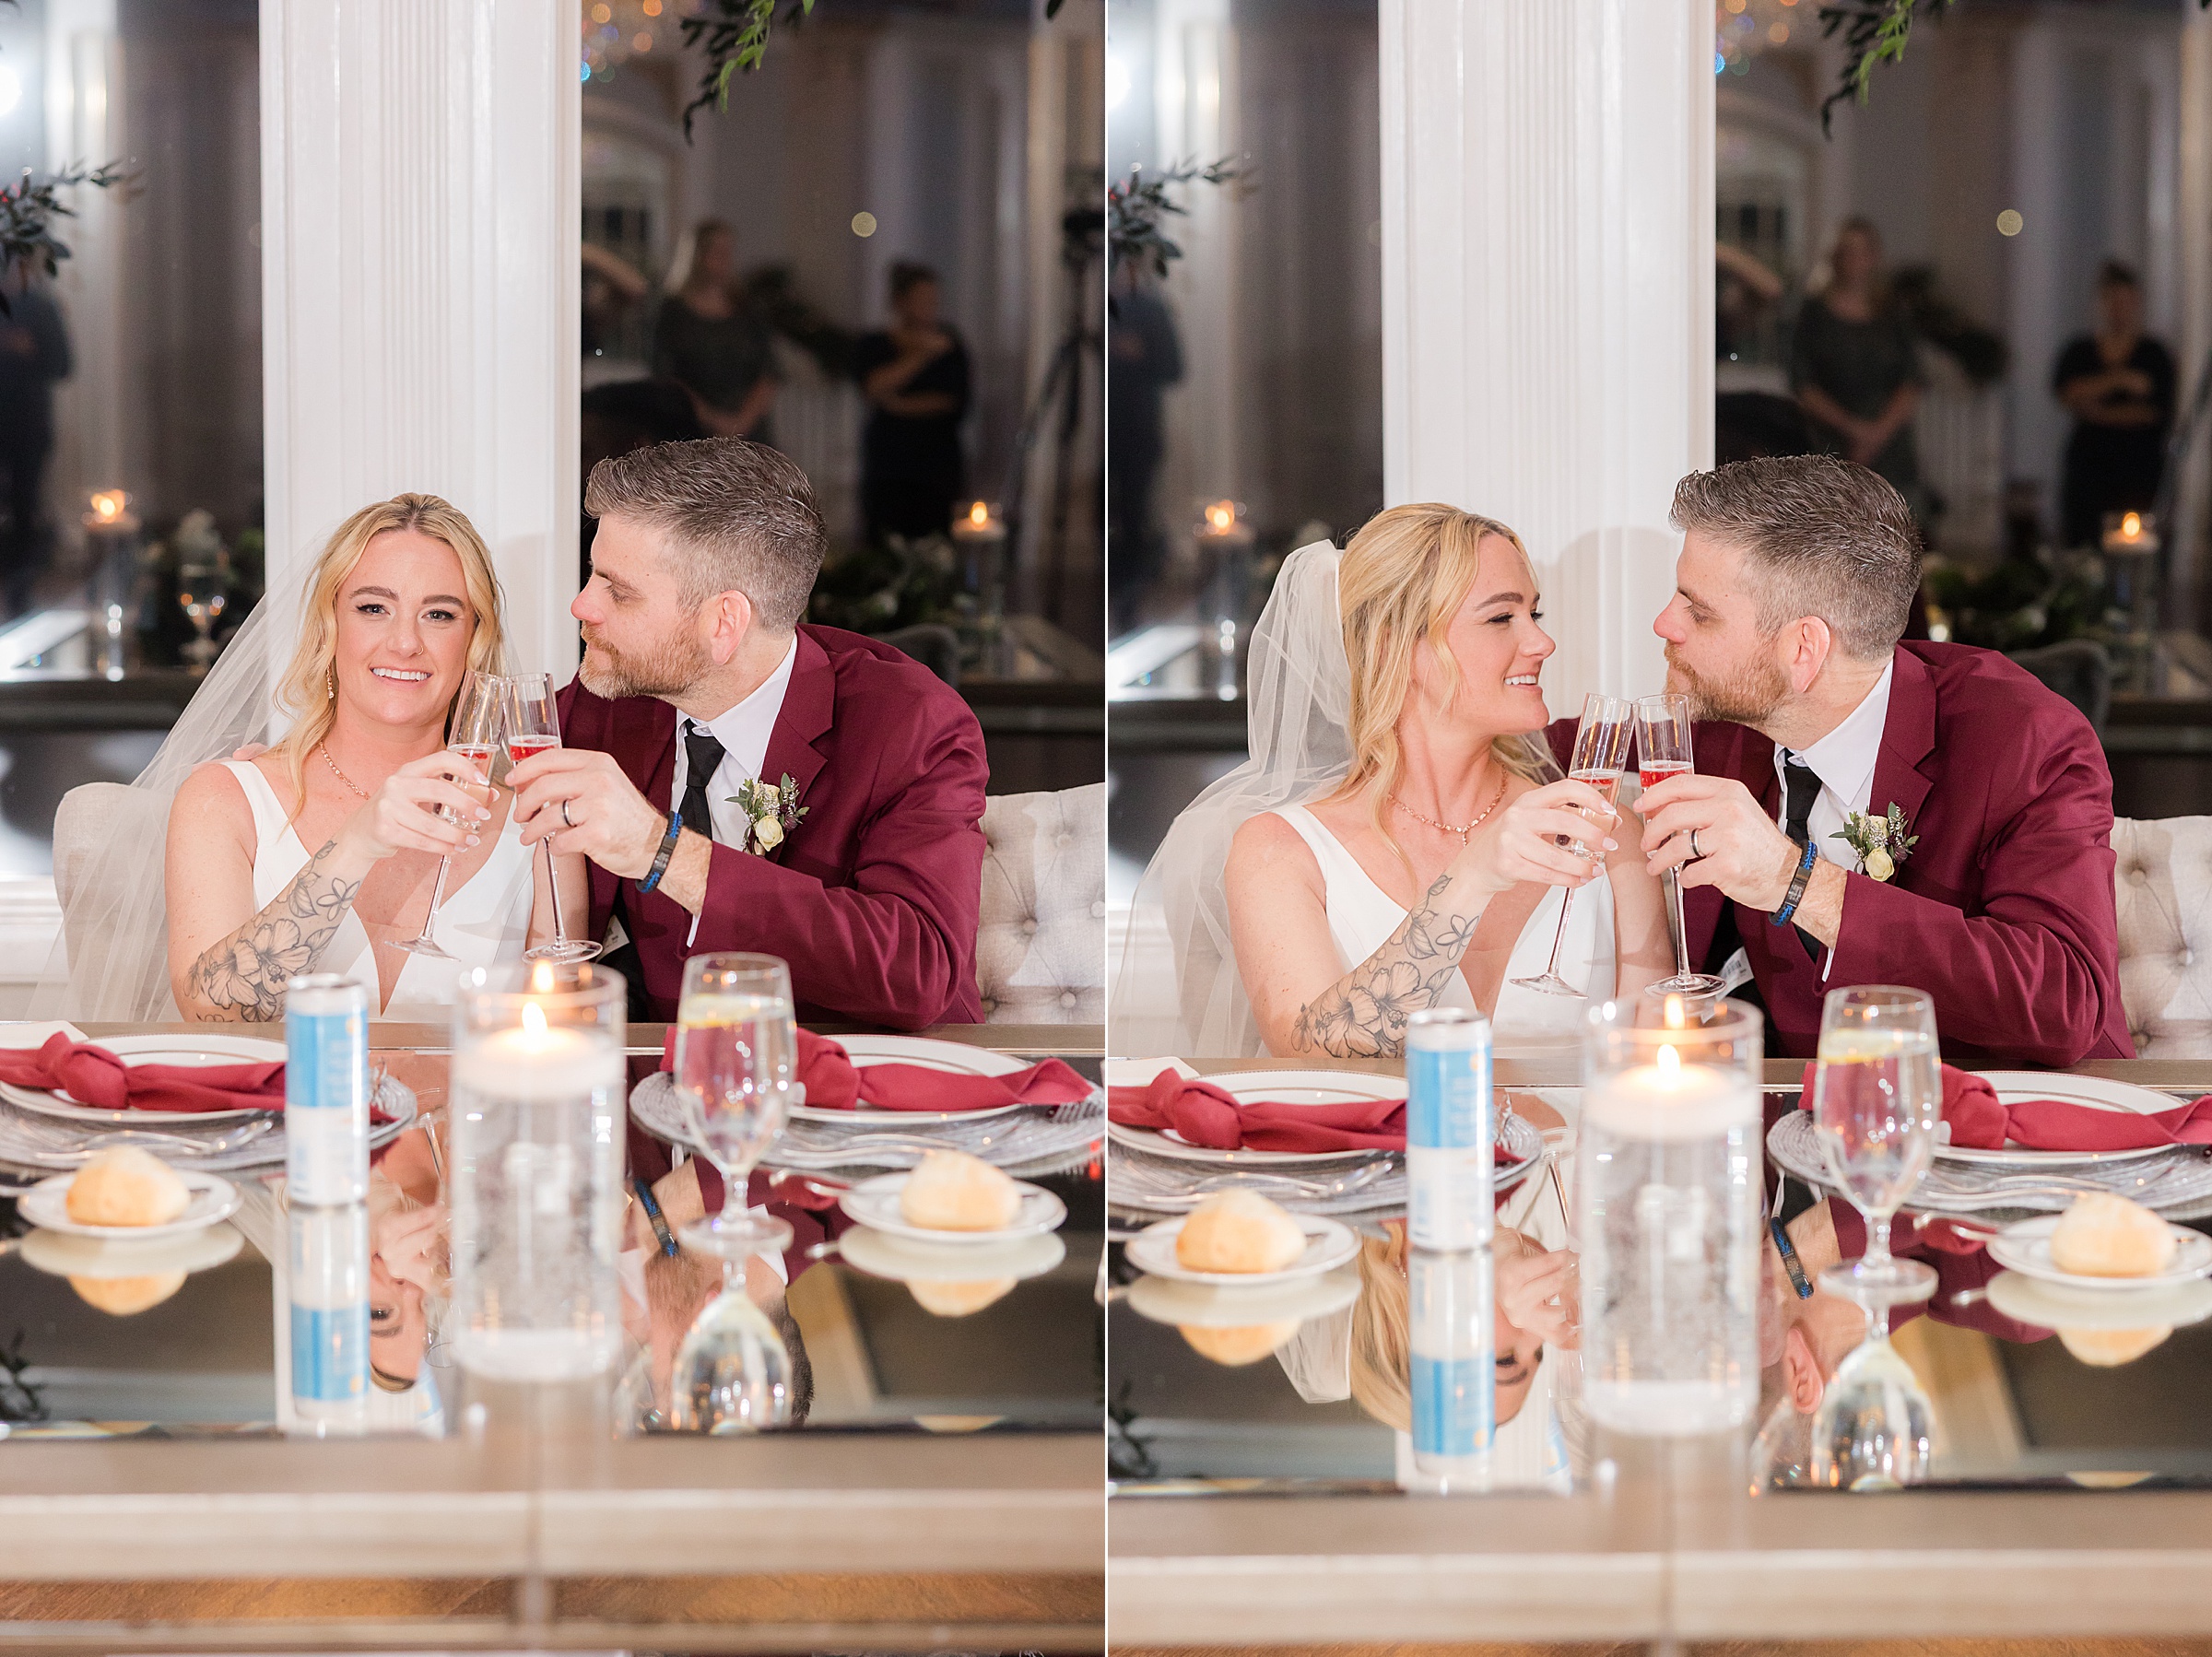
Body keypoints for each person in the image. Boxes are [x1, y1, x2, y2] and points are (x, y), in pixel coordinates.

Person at [1115, 507, 1671, 1060]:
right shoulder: (1279, 849)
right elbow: (1308, 1049)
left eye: (1535, 614)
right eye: (1502, 618)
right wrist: (1470, 879)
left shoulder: (1605, 832)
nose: (1541, 643)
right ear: (1393, 644)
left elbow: (1656, 1068)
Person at [1635, 454, 2135, 1067]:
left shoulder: (2026, 738)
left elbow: (2064, 1000)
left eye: (1698, 609)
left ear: (1802, 649)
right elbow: (1564, 747)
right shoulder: (1723, 722)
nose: (1664, 622)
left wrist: (1796, 883)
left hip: (2012, 1130)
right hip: (1799, 1131)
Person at [507, 436, 987, 1028]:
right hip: (666, 1087)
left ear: (724, 621)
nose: (583, 606)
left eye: (618, 591)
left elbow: (921, 969)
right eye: (592, 576)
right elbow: (487, 770)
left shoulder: (911, 724)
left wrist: (663, 852)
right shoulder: (610, 702)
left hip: (866, 1085)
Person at [159, 495, 565, 1021]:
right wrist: (354, 844)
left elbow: (563, 1034)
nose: (404, 643)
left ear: (474, 641)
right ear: (330, 628)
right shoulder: (224, 798)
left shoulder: (537, 821)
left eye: (439, 614)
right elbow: (212, 1012)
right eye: (373, 607)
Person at [1789, 218, 1926, 523]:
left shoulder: (1892, 313)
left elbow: (1912, 379)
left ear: (1874, 257)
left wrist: (1876, 434)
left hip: (1890, 445)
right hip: (1831, 441)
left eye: (1862, 251)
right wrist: (1853, 430)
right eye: (1848, 250)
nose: (1855, 259)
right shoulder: (1814, 314)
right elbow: (1802, 382)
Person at [2053, 261, 2176, 550]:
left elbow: (2154, 410)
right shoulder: (2080, 350)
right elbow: (2069, 393)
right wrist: (2121, 380)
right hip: (2088, 468)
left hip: (2138, 470)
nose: (2118, 309)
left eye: (2125, 301)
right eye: (2112, 301)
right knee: (2083, 546)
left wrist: (2098, 410)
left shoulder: (2154, 354)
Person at [853, 262, 971, 544]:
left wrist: (899, 406)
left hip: (937, 463)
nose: (928, 307)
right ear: (900, 302)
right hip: (889, 462)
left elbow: (952, 401)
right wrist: (921, 356)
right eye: (921, 300)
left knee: (935, 544)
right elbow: (873, 387)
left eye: (933, 300)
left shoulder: (950, 343)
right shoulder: (876, 343)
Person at [652, 220, 778, 444]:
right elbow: (667, 377)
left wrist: (741, 422)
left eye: (728, 251)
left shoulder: (746, 309)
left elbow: (767, 372)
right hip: (692, 432)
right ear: (696, 256)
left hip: (749, 432)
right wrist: (713, 420)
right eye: (715, 251)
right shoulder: (674, 313)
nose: (724, 259)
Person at [1107, 265, 1183, 634]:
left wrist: (1139, 352)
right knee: (1108, 517)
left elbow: (1175, 368)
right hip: (1107, 431)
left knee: (1136, 517)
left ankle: (1130, 602)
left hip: (1139, 430)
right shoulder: (1104, 308)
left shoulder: (1153, 311)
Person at [0, 267, 70, 617]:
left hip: (28, 424)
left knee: (26, 506)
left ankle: (20, 591)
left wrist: (28, 348)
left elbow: (63, 365)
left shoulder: (41, 308)